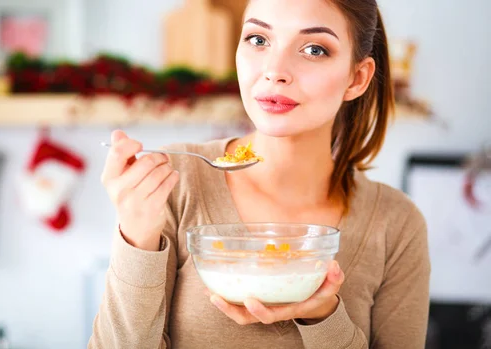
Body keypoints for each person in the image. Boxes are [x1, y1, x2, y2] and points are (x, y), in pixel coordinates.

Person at [88, 0, 431, 348]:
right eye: (258, 39)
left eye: (314, 49)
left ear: (356, 78)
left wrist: (323, 314)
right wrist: (137, 238)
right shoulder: (174, 182)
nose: (274, 70)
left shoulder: (397, 224)